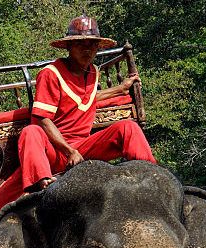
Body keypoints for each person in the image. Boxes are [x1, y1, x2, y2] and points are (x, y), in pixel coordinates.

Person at [18, 14, 156, 192]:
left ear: (98, 47)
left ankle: (152, 177)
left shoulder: (93, 71)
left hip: (84, 147)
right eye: (80, 44)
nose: (87, 49)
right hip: (55, 150)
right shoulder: (50, 73)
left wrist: (121, 89)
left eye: (92, 44)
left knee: (128, 127)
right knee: (31, 131)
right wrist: (69, 151)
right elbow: (43, 118)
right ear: (68, 46)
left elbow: (86, 98)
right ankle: (42, 183)